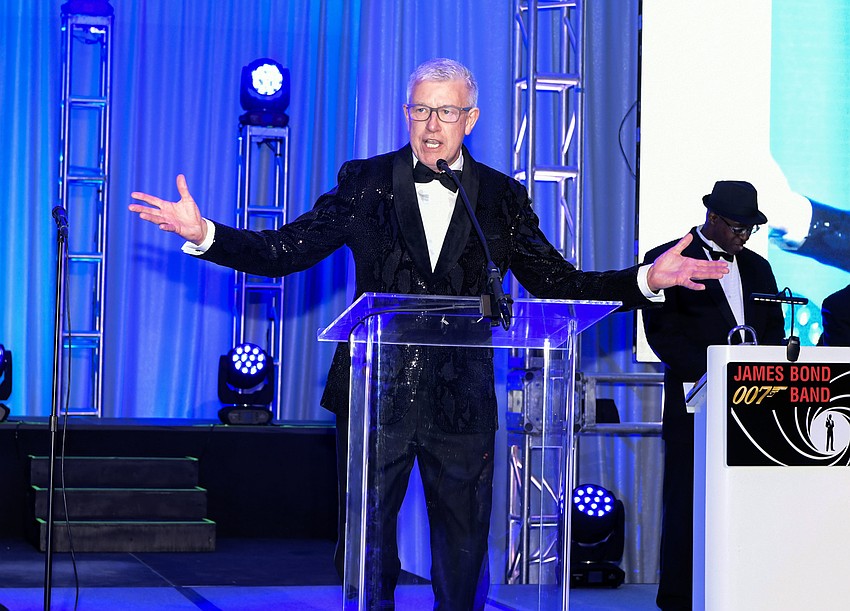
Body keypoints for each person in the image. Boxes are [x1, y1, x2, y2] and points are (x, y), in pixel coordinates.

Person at [129, 58, 727, 610]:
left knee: (464, 550)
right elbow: (286, 250)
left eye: (445, 111)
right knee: (370, 547)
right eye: (420, 109)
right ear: (406, 113)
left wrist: (647, 278)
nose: (431, 123)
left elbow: (558, 281)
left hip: (461, 399)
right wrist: (206, 231)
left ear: (471, 119)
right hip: (372, 392)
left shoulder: (498, 197)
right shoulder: (364, 182)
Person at [642, 180, 786, 611]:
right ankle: (679, 598)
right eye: (738, 228)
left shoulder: (759, 267)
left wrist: (760, 374)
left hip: (753, 404)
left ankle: (745, 590)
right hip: (695, 403)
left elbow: (774, 330)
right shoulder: (668, 259)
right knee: (687, 501)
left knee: (750, 500)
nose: (743, 237)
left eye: (750, 229)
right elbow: (662, 334)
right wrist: (716, 375)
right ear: (713, 218)